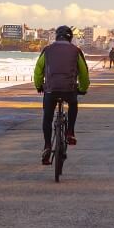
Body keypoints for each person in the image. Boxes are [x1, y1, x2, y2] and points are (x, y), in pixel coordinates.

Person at [33, 26, 90, 165]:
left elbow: (38, 70)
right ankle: (70, 132)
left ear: (56, 36)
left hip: (50, 90)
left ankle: (47, 145)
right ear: (70, 38)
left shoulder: (47, 50)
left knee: (47, 117)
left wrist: (39, 85)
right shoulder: (76, 51)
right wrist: (82, 89)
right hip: (69, 90)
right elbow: (84, 73)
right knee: (73, 104)